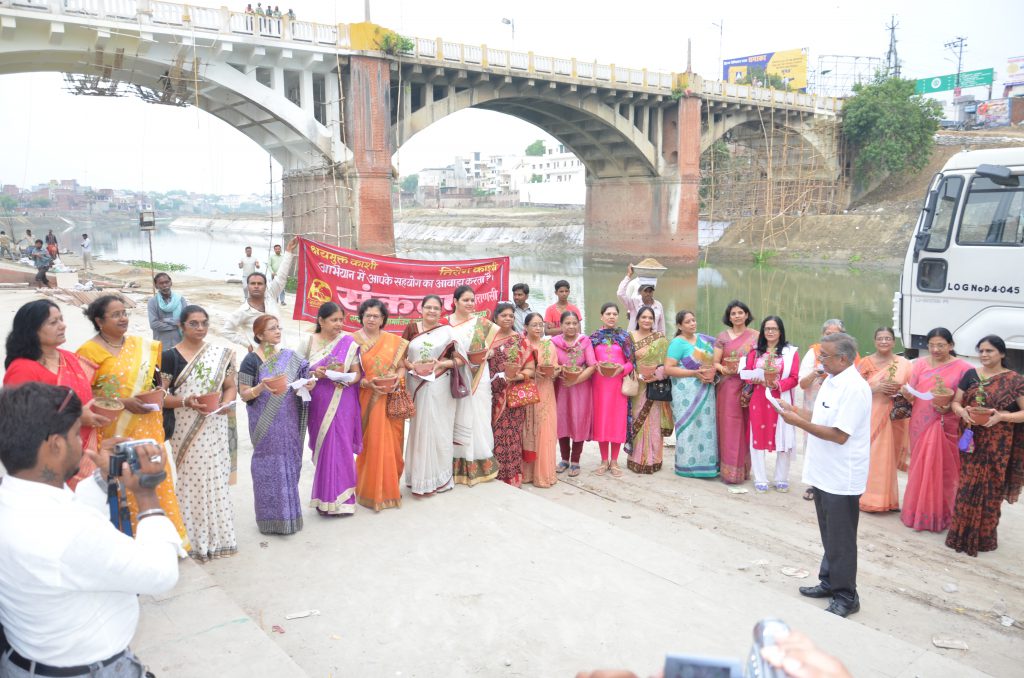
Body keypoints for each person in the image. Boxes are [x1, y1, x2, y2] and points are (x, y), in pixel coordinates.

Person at [0, 383, 180, 678]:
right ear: (55, 445)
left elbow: (73, 517)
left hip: (27, 661)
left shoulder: (15, 500)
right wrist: (147, 496)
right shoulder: (68, 532)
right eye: (75, 435)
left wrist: (103, 479)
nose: (82, 445)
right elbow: (160, 574)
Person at [76, 295, 190, 549]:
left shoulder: (142, 345)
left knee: (156, 478)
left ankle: (164, 544)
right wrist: (122, 401)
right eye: (115, 314)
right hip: (115, 430)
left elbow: (157, 381)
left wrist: (159, 390)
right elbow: (82, 395)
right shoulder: (88, 352)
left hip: (148, 426)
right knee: (123, 481)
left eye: (124, 312)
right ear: (99, 320)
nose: (123, 318)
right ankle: (130, 543)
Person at [779, 332, 871, 618]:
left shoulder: (854, 388)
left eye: (825, 356)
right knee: (829, 533)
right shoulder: (831, 380)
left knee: (842, 538)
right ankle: (829, 581)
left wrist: (797, 423)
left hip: (842, 476)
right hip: (823, 472)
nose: (820, 361)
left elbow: (839, 434)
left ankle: (847, 595)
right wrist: (793, 411)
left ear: (843, 358)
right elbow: (820, 420)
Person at [3, 299, 111, 487]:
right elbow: (19, 421)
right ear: (32, 330)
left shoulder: (69, 358)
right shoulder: (23, 369)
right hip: (47, 458)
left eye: (61, 319)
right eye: (53, 322)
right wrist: (77, 417)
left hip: (85, 451)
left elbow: (86, 396)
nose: (63, 325)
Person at [160, 305, 238, 561]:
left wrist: (226, 404)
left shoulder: (219, 354)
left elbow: (229, 386)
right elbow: (160, 398)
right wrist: (186, 401)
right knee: (192, 481)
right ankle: (192, 540)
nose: (201, 328)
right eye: (194, 323)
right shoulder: (169, 357)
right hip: (185, 428)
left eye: (204, 323)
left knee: (216, 479)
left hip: (214, 425)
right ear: (181, 326)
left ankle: (219, 538)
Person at [946, 335, 1024, 556]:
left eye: (989, 351)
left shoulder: (1015, 380)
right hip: (971, 440)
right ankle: (959, 534)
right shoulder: (970, 375)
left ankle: (984, 538)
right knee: (967, 486)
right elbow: (955, 402)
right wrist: (962, 412)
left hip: (999, 444)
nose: (984, 355)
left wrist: (1001, 417)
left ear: (1002, 353)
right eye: (981, 351)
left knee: (991, 489)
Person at [239, 314, 309, 535]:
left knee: (289, 463)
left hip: (288, 420)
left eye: (278, 328)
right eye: (272, 329)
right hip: (265, 425)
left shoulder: (288, 357)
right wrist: (261, 387)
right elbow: (244, 394)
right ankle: (269, 520)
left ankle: (290, 517)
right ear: (259, 335)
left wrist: (308, 383)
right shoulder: (251, 360)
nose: (278, 332)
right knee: (268, 468)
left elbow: (303, 377)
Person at [900, 327, 972, 532]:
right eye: (931, 345)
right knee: (920, 466)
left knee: (946, 470)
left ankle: (943, 515)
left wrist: (949, 407)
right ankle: (916, 513)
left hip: (946, 422)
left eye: (941, 345)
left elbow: (965, 399)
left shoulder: (963, 368)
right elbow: (912, 394)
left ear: (951, 345)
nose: (935, 349)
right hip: (920, 423)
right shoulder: (920, 364)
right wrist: (906, 393)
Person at [301, 302, 362, 515]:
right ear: (321, 321)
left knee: (342, 446)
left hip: (343, 399)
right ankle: (324, 499)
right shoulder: (308, 341)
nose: (339, 324)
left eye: (341, 320)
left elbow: (357, 374)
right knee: (325, 446)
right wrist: (312, 375)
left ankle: (344, 501)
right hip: (319, 400)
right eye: (334, 320)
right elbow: (298, 373)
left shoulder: (349, 342)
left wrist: (346, 380)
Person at [402, 295, 460, 496]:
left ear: (441, 311)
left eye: (436, 308)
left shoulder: (447, 332)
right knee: (419, 429)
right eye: (428, 307)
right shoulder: (411, 329)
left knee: (439, 429)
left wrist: (440, 364)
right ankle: (419, 479)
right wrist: (413, 366)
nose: (432, 311)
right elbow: (400, 356)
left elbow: (460, 360)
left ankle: (440, 479)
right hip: (415, 382)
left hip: (439, 385)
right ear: (421, 308)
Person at [353, 299, 407, 511]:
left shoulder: (394, 341)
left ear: (383, 318)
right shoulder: (352, 341)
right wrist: (367, 383)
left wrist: (395, 380)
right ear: (362, 317)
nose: (372, 319)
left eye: (376, 316)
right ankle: (367, 490)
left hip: (390, 398)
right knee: (371, 444)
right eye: (368, 315)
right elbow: (350, 372)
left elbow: (402, 367)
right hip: (366, 398)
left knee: (392, 445)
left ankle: (389, 489)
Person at [448, 285, 500, 485]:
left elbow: (492, 350)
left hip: (480, 376)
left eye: (472, 300)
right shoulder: (445, 325)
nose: (470, 304)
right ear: (455, 302)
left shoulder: (482, 324)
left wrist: (488, 353)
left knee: (479, 415)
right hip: (456, 375)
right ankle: (455, 465)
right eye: (465, 300)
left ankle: (481, 463)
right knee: (456, 415)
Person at [743, 315, 799, 493]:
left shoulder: (790, 352)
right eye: (767, 329)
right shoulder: (755, 351)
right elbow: (748, 371)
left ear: (780, 331)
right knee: (757, 435)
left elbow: (794, 378)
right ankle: (760, 477)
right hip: (759, 398)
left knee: (783, 434)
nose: (770, 332)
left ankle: (781, 477)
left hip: (780, 399)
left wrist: (777, 384)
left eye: (774, 329)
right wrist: (752, 378)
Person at [857, 327, 911, 513]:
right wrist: (876, 387)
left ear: (894, 342)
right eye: (880, 338)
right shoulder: (865, 362)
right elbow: (855, 390)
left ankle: (887, 499)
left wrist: (902, 391)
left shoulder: (903, 363)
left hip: (893, 416)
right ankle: (867, 497)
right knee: (872, 456)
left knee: (888, 456)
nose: (884, 342)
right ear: (874, 341)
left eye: (888, 338)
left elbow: (912, 389)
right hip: (870, 414)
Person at [798, 319, 849, 501]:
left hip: (838, 408)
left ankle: (832, 482)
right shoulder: (814, 353)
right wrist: (817, 372)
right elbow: (802, 384)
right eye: (828, 334)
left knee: (835, 441)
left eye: (836, 334)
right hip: (814, 408)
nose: (832, 338)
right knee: (812, 443)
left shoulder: (850, 356)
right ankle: (813, 484)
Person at [664, 309, 719, 478]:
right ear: (679, 325)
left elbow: (715, 359)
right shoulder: (677, 343)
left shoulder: (704, 340)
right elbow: (668, 369)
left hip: (705, 391)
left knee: (706, 427)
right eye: (687, 322)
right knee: (688, 428)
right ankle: (686, 466)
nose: (692, 324)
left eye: (693, 320)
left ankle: (707, 465)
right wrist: (694, 373)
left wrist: (711, 372)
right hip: (685, 394)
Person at [488, 302, 536, 487]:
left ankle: (513, 477)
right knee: (493, 435)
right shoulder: (488, 340)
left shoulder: (520, 341)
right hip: (490, 396)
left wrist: (517, 376)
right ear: (495, 318)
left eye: (511, 316)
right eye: (503, 315)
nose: (508, 318)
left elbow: (531, 369)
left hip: (513, 397)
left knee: (513, 437)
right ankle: (494, 473)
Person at [713, 300, 758, 484]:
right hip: (727, 386)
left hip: (748, 386)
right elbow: (715, 362)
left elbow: (762, 359)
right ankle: (727, 470)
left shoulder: (756, 336)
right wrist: (723, 369)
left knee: (745, 426)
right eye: (733, 313)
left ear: (747, 315)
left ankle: (743, 469)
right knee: (728, 425)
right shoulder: (722, 336)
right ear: (729, 317)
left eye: (741, 312)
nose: (737, 316)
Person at [223, 237, 296, 351]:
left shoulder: (270, 296)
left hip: (282, 354)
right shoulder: (242, 311)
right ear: (248, 286)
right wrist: (246, 344)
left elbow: (281, 277)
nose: (256, 286)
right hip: (260, 359)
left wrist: (288, 252)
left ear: (266, 286)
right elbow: (227, 331)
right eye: (253, 283)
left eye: (260, 283)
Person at [590, 302, 634, 477]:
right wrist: (596, 365)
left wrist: (621, 369)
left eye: (614, 314)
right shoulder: (594, 337)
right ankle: (603, 460)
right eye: (608, 313)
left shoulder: (625, 337)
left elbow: (632, 363)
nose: (611, 316)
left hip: (618, 386)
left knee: (616, 422)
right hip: (599, 386)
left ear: (618, 316)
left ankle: (614, 461)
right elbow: (589, 360)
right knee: (602, 420)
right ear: (601, 316)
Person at [626, 306, 671, 473]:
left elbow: (667, 363)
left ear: (655, 321)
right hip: (637, 386)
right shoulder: (629, 337)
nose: (646, 320)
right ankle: (636, 458)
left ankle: (654, 460)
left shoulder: (660, 339)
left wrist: (657, 375)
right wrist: (635, 373)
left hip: (655, 387)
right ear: (637, 319)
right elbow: (627, 360)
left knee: (653, 422)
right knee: (637, 418)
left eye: (650, 318)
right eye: (643, 317)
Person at [552, 310, 595, 477]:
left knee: (579, 420)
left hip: (580, 388)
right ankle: (564, 459)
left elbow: (592, 365)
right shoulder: (554, 343)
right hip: (561, 387)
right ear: (561, 325)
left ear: (579, 324)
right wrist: (559, 369)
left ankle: (575, 461)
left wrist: (575, 380)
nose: (571, 326)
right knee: (562, 420)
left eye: (574, 323)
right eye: (567, 323)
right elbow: (551, 364)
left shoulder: (585, 342)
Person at [522, 312, 558, 488]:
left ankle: (543, 475)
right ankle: (526, 474)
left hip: (545, 390)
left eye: (541, 325)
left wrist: (555, 371)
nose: (538, 328)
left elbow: (556, 367)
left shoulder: (548, 345)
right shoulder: (522, 345)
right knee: (527, 429)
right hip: (526, 391)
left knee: (545, 429)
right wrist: (531, 372)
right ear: (526, 327)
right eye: (534, 325)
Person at [617, 264, 665, 333]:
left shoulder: (658, 305)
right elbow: (620, 293)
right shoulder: (633, 302)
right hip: (633, 340)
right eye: (645, 291)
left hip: (652, 341)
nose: (648, 294)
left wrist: (662, 341)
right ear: (640, 292)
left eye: (650, 291)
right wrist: (629, 275)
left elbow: (661, 328)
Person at [148, 272, 187, 351]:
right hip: (162, 344)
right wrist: (176, 325)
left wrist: (165, 320)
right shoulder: (153, 302)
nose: (165, 285)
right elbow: (154, 324)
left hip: (180, 342)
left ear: (171, 283)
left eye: (167, 282)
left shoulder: (180, 300)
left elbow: (185, 320)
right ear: (156, 286)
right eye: (161, 283)